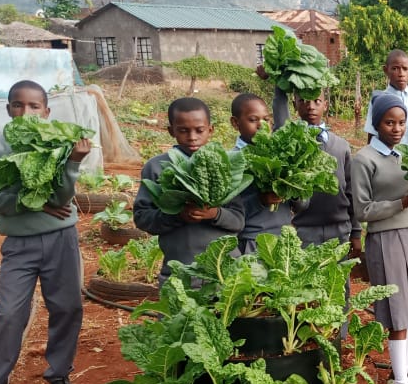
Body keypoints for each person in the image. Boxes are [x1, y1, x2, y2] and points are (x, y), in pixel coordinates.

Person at [0, 80, 92, 384]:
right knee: (10, 312)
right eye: (17, 105)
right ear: (8, 109)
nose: (25, 112)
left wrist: (72, 163)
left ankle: (59, 374)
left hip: (61, 239)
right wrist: (34, 203)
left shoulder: (61, 143)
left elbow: (62, 198)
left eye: (33, 106)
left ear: (47, 111)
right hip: (20, 244)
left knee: (68, 307)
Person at [350, 93, 408, 384]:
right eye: (389, 122)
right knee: (398, 310)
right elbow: (362, 210)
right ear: (376, 124)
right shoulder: (364, 159)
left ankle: (404, 372)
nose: (397, 128)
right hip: (386, 239)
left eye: (402, 122)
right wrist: (405, 201)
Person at [133, 97, 245, 282]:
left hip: (226, 275)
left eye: (199, 130)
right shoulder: (156, 167)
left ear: (210, 130)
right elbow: (143, 218)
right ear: (171, 131)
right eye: (183, 131)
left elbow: (238, 221)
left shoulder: (226, 163)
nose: (192, 137)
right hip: (180, 273)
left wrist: (214, 213)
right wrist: (177, 215)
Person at [230, 92, 305, 253]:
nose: (261, 125)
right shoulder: (231, 161)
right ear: (235, 123)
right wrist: (261, 200)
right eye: (253, 119)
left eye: (266, 119)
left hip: (283, 239)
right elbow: (227, 212)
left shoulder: (280, 156)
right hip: (251, 241)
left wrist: (294, 190)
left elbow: (302, 205)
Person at [290, 91, 360, 256]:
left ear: (325, 105)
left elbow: (351, 191)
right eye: (304, 101)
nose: (311, 107)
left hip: (340, 228)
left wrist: (356, 231)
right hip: (304, 231)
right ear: (295, 106)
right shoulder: (291, 146)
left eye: (317, 101)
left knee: (339, 278)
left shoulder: (341, 146)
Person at [363, 50, 408, 146]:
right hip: (390, 156)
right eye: (395, 68)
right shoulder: (380, 100)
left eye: (405, 69)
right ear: (386, 70)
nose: (401, 74)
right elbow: (372, 133)